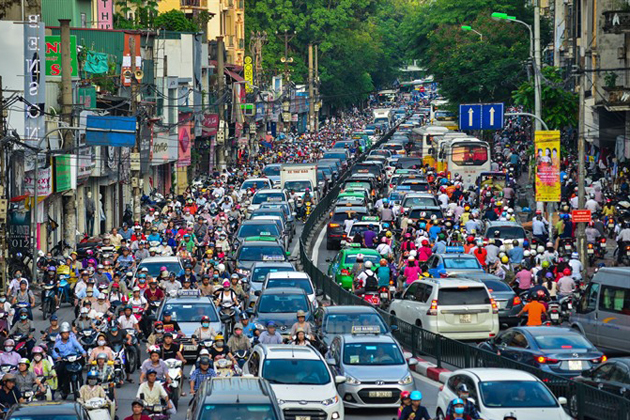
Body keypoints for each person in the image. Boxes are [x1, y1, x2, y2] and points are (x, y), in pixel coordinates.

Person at [52, 322, 87, 399]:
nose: (66, 335)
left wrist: (83, 352)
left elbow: (79, 346)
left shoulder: (72, 340)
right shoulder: (58, 343)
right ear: (61, 334)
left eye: (67, 333)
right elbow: (54, 352)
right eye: (64, 333)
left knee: (80, 368)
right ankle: (61, 387)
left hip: (74, 359)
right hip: (64, 360)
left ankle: (81, 384)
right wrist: (57, 357)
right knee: (59, 371)